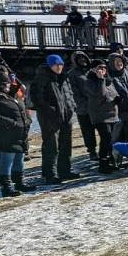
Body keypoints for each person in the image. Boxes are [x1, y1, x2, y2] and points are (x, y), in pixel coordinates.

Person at [32, 55, 80, 185]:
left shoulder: (64, 78)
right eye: (56, 64)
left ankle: (65, 171)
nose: (59, 67)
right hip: (49, 118)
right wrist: (50, 110)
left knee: (66, 145)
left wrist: (72, 107)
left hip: (66, 116)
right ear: (50, 65)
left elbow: (69, 94)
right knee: (51, 147)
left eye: (61, 64)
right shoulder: (42, 78)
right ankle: (50, 174)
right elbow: (37, 98)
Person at [0, 77, 32, 197]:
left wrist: (27, 121)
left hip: (21, 134)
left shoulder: (14, 96)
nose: (7, 86)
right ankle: (6, 187)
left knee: (19, 160)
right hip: (6, 135)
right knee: (6, 161)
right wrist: (12, 124)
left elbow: (23, 110)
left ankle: (19, 183)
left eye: (7, 83)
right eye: (4, 84)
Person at [83, 60, 121, 174]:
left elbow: (113, 93)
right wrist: (100, 79)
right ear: (93, 69)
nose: (102, 70)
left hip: (112, 114)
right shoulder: (90, 82)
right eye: (99, 68)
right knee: (106, 138)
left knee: (112, 139)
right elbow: (100, 94)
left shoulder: (108, 80)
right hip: (100, 115)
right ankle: (103, 164)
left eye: (104, 68)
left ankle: (111, 161)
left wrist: (118, 98)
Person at [66, 51, 98, 161]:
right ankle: (92, 151)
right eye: (79, 59)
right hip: (83, 108)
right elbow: (73, 92)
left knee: (103, 129)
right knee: (88, 131)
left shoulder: (92, 70)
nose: (82, 61)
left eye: (84, 58)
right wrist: (84, 103)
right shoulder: (72, 74)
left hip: (97, 105)